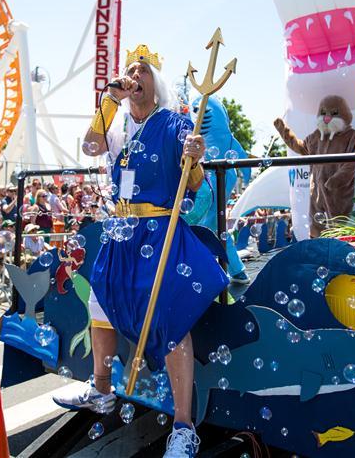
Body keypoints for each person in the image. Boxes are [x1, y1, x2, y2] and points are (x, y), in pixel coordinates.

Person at [52, 44, 226, 458]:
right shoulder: (116, 126)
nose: (134, 74)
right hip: (122, 230)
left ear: (155, 82)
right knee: (99, 306)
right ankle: (101, 391)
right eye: (130, 68)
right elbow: (90, 146)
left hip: (159, 233)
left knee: (171, 320)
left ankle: (184, 428)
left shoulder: (173, 122)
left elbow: (195, 178)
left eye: (142, 69)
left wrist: (195, 158)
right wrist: (109, 99)